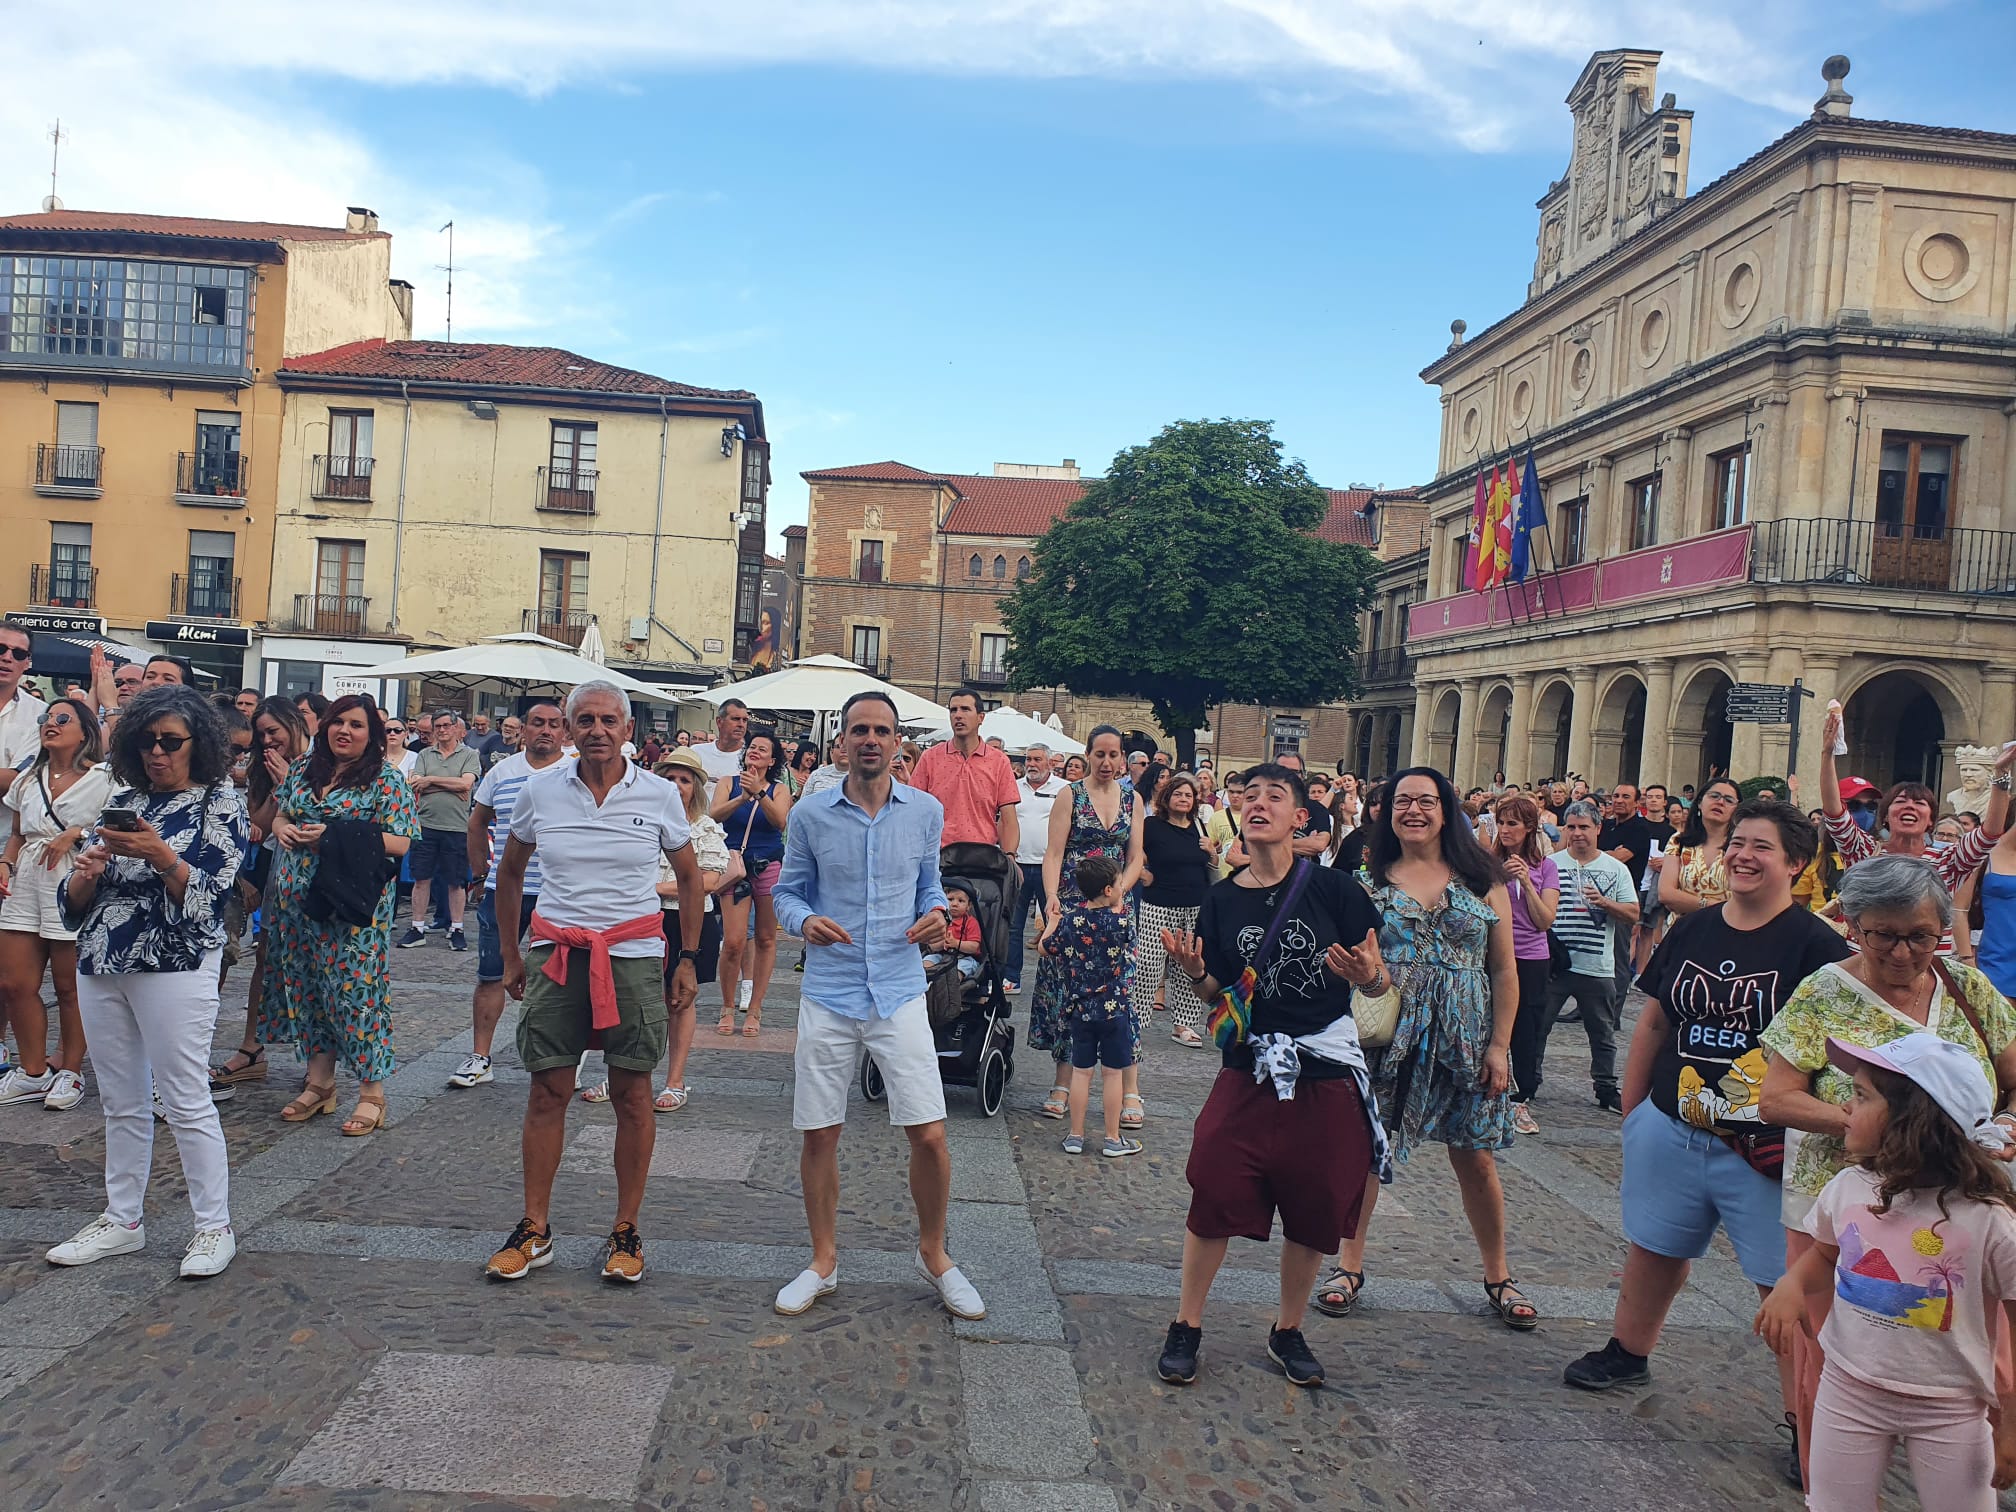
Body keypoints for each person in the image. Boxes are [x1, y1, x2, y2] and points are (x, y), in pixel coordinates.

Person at [1562, 799, 1848, 1442]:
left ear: (1796, 862)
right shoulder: (1695, 927)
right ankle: (1628, 1351)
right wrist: (1635, 1113)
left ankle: (1808, 1421)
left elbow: (1830, 1052)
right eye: (1737, 843)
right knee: (1655, 1244)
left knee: (1783, 1280)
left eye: (1762, 846)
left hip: (1766, 1145)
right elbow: (1658, 1020)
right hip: (1674, 1120)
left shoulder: (1818, 947)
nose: (1743, 855)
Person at [1758, 853, 2016, 1488]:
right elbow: (1775, 1098)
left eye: (1921, 936)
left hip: (1962, 1208)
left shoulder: (1967, 987)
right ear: (1853, 925)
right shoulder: (1823, 991)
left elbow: (2012, 1082)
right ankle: (1836, 1478)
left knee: (1984, 1352)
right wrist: (1868, 1127)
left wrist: (2005, 1127)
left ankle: (1985, 1457)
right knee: (1838, 1356)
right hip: (1843, 1210)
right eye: (1884, 936)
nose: (1904, 953)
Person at [1157, 762, 1389, 1387]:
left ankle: (1288, 1329)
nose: (1257, 803)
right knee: (1214, 1181)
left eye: (1273, 796)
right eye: (1247, 795)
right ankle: (1188, 1323)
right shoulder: (1222, 898)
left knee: (1316, 1201)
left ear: (1299, 817)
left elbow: (1379, 975)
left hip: (1324, 1069)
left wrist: (1366, 975)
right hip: (1251, 1066)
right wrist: (1192, 970)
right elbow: (1217, 995)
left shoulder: (1335, 890)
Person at [769, 689, 985, 1322]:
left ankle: (935, 1254)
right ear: (842, 741)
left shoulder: (923, 810)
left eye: (881, 731)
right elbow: (787, 893)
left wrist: (938, 914)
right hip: (831, 991)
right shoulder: (811, 814)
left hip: (897, 988)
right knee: (819, 1131)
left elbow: (928, 886)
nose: (869, 740)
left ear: (897, 742)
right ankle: (823, 1260)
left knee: (931, 1132)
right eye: (858, 730)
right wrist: (804, 920)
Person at [485, 681, 705, 1285]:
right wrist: (510, 953)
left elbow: (690, 879)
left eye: (609, 720)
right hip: (557, 952)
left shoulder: (659, 793)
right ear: (567, 728)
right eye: (585, 719)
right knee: (547, 1091)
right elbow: (509, 874)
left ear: (628, 729)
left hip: (632, 956)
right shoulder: (539, 790)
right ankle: (535, 1228)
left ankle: (626, 1228)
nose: (597, 730)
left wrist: (686, 957)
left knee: (632, 1094)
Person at [1755, 1032, 2016, 1510]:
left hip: (1951, 1407)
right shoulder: (1849, 1188)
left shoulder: (1989, 1221)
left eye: (1860, 1095)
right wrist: (1793, 1284)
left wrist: (2013, 1416)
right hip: (1849, 1389)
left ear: (1915, 1121)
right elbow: (1827, 1256)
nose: (1845, 1107)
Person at [47, 685, 247, 1278]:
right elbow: (71, 906)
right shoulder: (125, 798)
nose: (158, 752)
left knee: (185, 1096)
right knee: (120, 1099)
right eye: (147, 741)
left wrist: (161, 854)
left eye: (171, 742)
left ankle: (214, 1228)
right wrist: (86, 873)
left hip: (176, 957)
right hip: (103, 955)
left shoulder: (219, 802)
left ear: (197, 744)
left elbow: (212, 897)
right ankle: (122, 1219)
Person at [1320, 766, 1531, 1329]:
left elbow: (1505, 969)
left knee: (1476, 1156)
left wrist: (1500, 1046)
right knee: (1367, 1150)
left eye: (1426, 801)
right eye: (1401, 802)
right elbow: (1348, 963)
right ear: (1386, 814)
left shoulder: (1482, 878)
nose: (1413, 810)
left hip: (1467, 1036)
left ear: (1448, 810)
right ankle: (1348, 1266)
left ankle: (1499, 1275)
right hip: (1391, 1033)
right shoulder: (1369, 881)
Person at [255, 695, 417, 1135]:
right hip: (296, 907)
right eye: (337, 722)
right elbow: (282, 813)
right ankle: (320, 1084)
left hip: (351, 909)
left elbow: (401, 842)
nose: (344, 730)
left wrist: (332, 834)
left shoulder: (386, 780)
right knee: (307, 992)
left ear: (373, 735)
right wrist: (283, 827)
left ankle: (372, 1095)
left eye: (356, 724)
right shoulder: (308, 771)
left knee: (356, 996)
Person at [581, 748, 729, 1110]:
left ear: (695, 787)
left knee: (680, 1001)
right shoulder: (639, 819)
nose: (676, 786)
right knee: (630, 999)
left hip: (688, 920)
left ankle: (674, 1081)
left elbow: (708, 880)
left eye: (684, 780)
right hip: (641, 919)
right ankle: (619, 1074)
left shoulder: (704, 828)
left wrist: (657, 887)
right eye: (669, 778)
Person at [0, 698, 112, 1108]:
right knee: (14, 982)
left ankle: (71, 1070)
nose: (51, 723)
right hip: (28, 876)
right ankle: (32, 1070)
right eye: (47, 717)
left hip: (74, 874)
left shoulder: (104, 777)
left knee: (69, 986)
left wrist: (78, 833)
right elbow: (16, 830)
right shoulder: (30, 779)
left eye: (62, 718)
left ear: (85, 731)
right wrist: (6, 861)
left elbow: (115, 826)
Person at [450, 701, 567, 1090]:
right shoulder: (502, 771)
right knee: (491, 974)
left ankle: (562, 1057)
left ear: (564, 730)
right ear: (523, 729)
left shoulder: (576, 771)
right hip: (505, 891)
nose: (545, 730)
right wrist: (481, 872)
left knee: (560, 979)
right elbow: (476, 823)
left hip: (560, 894)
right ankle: (481, 1057)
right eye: (538, 723)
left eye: (553, 724)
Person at [1032, 726, 1146, 1125]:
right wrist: (1050, 899)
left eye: (1114, 755)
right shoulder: (1070, 795)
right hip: (1074, 898)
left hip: (1117, 903)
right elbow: (1054, 853)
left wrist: (1118, 892)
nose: (1107, 762)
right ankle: (1063, 1083)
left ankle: (1130, 1089)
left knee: (1121, 990)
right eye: (1100, 754)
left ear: (1122, 757)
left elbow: (1136, 856)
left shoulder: (1133, 798)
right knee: (1070, 989)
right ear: (1089, 754)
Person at [1819, 704, 2008, 941]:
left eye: (1920, 803)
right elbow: (1835, 814)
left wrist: (2000, 775)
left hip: (1927, 967)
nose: (1910, 806)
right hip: (1865, 966)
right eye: (1901, 801)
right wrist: (1827, 754)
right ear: (1886, 816)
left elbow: (1990, 833)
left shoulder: (1948, 860)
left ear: (1931, 821)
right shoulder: (1865, 851)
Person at [1040, 855, 1142, 1157]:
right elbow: (1131, 962)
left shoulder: (1072, 921)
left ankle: (1075, 1135)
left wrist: (1054, 922)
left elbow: (1046, 948)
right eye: (1120, 883)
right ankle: (1112, 1138)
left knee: (1081, 1074)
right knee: (1112, 1074)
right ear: (1108, 890)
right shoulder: (1123, 922)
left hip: (1080, 1009)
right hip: (1115, 1010)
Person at [1541, 801, 1639, 1112]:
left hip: (1596, 965)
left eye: (1584, 827)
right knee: (1538, 1026)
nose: (1577, 833)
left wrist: (1606, 903)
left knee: (1602, 1032)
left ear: (1598, 829)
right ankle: (1528, 1082)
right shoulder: (1550, 863)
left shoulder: (1616, 869)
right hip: (1555, 963)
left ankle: (1606, 1087)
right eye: (1571, 827)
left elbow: (1633, 913)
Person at [709, 727, 791, 1036]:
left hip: (768, 865)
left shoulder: (779, 789)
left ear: (772, 760)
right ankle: (727, 1006)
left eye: (762, 749)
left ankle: (755, 1008)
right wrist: (741, 797)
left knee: (767, 938)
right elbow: (714, 814)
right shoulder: (729, 783)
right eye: (752, 747)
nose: (755, 752)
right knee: (733, 940)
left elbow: (779, 821)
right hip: (734, 865)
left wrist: (758, 792)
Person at [1492, 793, 1559, 1137]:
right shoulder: (1487, 863)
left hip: (1531, 957)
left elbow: (1545, 920)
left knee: (1527, 1027)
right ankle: (1491, 1091)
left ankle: (1521, 1097)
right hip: (1494, 954)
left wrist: (1526, 883)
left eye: (1513, 823)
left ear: (1530, 828)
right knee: (1492, 1022)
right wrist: (1495, 878)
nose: (1505, 830)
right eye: (1501, 823)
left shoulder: (1546, 867)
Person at [1134, 772, 1215, 1047]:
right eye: (1178, 794)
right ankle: (1135, 1020)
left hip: (1195, 904)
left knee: (1188, 965)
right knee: (1148, 963)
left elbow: (1211, 864)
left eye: (1188, 795)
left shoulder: (1200, 826)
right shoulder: (1152, 825)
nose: (1183, 799)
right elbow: (1131, 852)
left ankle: (1184, 1025)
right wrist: (1143, 874)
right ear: (1167, 798)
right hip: (1159, 903)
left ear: (1195, 801)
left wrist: (1212, 853)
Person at [399, 709, 481, 951]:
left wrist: (431, 781)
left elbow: (466, 784)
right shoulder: (424, 755)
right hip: (425, 825)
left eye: (447, 725)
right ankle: (417, 927)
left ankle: (457, 928)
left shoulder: (469, 755)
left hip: (456, 827)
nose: (442, 730)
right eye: (438, 726)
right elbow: (415, 785)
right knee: (421, 878)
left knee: (455, 881)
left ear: (456, 728)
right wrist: (451, 786)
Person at [911, 689, 1020, 853]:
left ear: (980, 717)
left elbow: (1008, 818)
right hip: (936, 856)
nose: (958, 715)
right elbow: (913, 809)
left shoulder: (999, 761)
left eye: (965, 709)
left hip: (982, 857)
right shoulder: (930, 758)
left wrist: (1010, 856)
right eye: (953, 710)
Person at [1006, 742, 1068, 992]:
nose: (1031, 764)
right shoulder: (1013, 786)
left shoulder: (1064, 789)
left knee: (1055, 923)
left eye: (1037, 759)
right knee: (1012, 925)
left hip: (1049, 867)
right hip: (1018, 863)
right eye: (1028, 759)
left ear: (1050, 763)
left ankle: (1056, 979)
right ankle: (1011, 978)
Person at [1598, 782, 1656, 1004]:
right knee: (1600, 955)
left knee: (1619, 957)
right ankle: (1590, 1006)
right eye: (1616, 796)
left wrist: (1602, 854)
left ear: (1636, 802)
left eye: (1625, 796)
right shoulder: (1607, 825)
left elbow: (1618, 858)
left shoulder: (1640, 829)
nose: (1619, 800)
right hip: (1599, 893)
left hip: (1624, 897)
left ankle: (1614, 1009)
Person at [1660, 777, 1739, 917]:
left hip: (1728, 929)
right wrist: (1710, 906)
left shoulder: (1741, 847)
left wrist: (1686, 902)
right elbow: (1665, 893)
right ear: (1699, 803)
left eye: (1728, 800)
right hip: (1683, 930)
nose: (1720, 802)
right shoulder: (1678, 840)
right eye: (1714, 796)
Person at [692, 698, 750, 784]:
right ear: (719, 722)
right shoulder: (697, 752)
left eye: (744, 720)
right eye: (735, 719)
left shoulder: (750, 756)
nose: (741, 725)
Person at [1205, 771, 1245, 881]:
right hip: (1222, 876)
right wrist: (1213, 849)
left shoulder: (1254, 818)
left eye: (1239, 792)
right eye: (1231, 792)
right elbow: (1208, 845)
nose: (1235, 796)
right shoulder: (1216, 817)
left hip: (1247, 876)